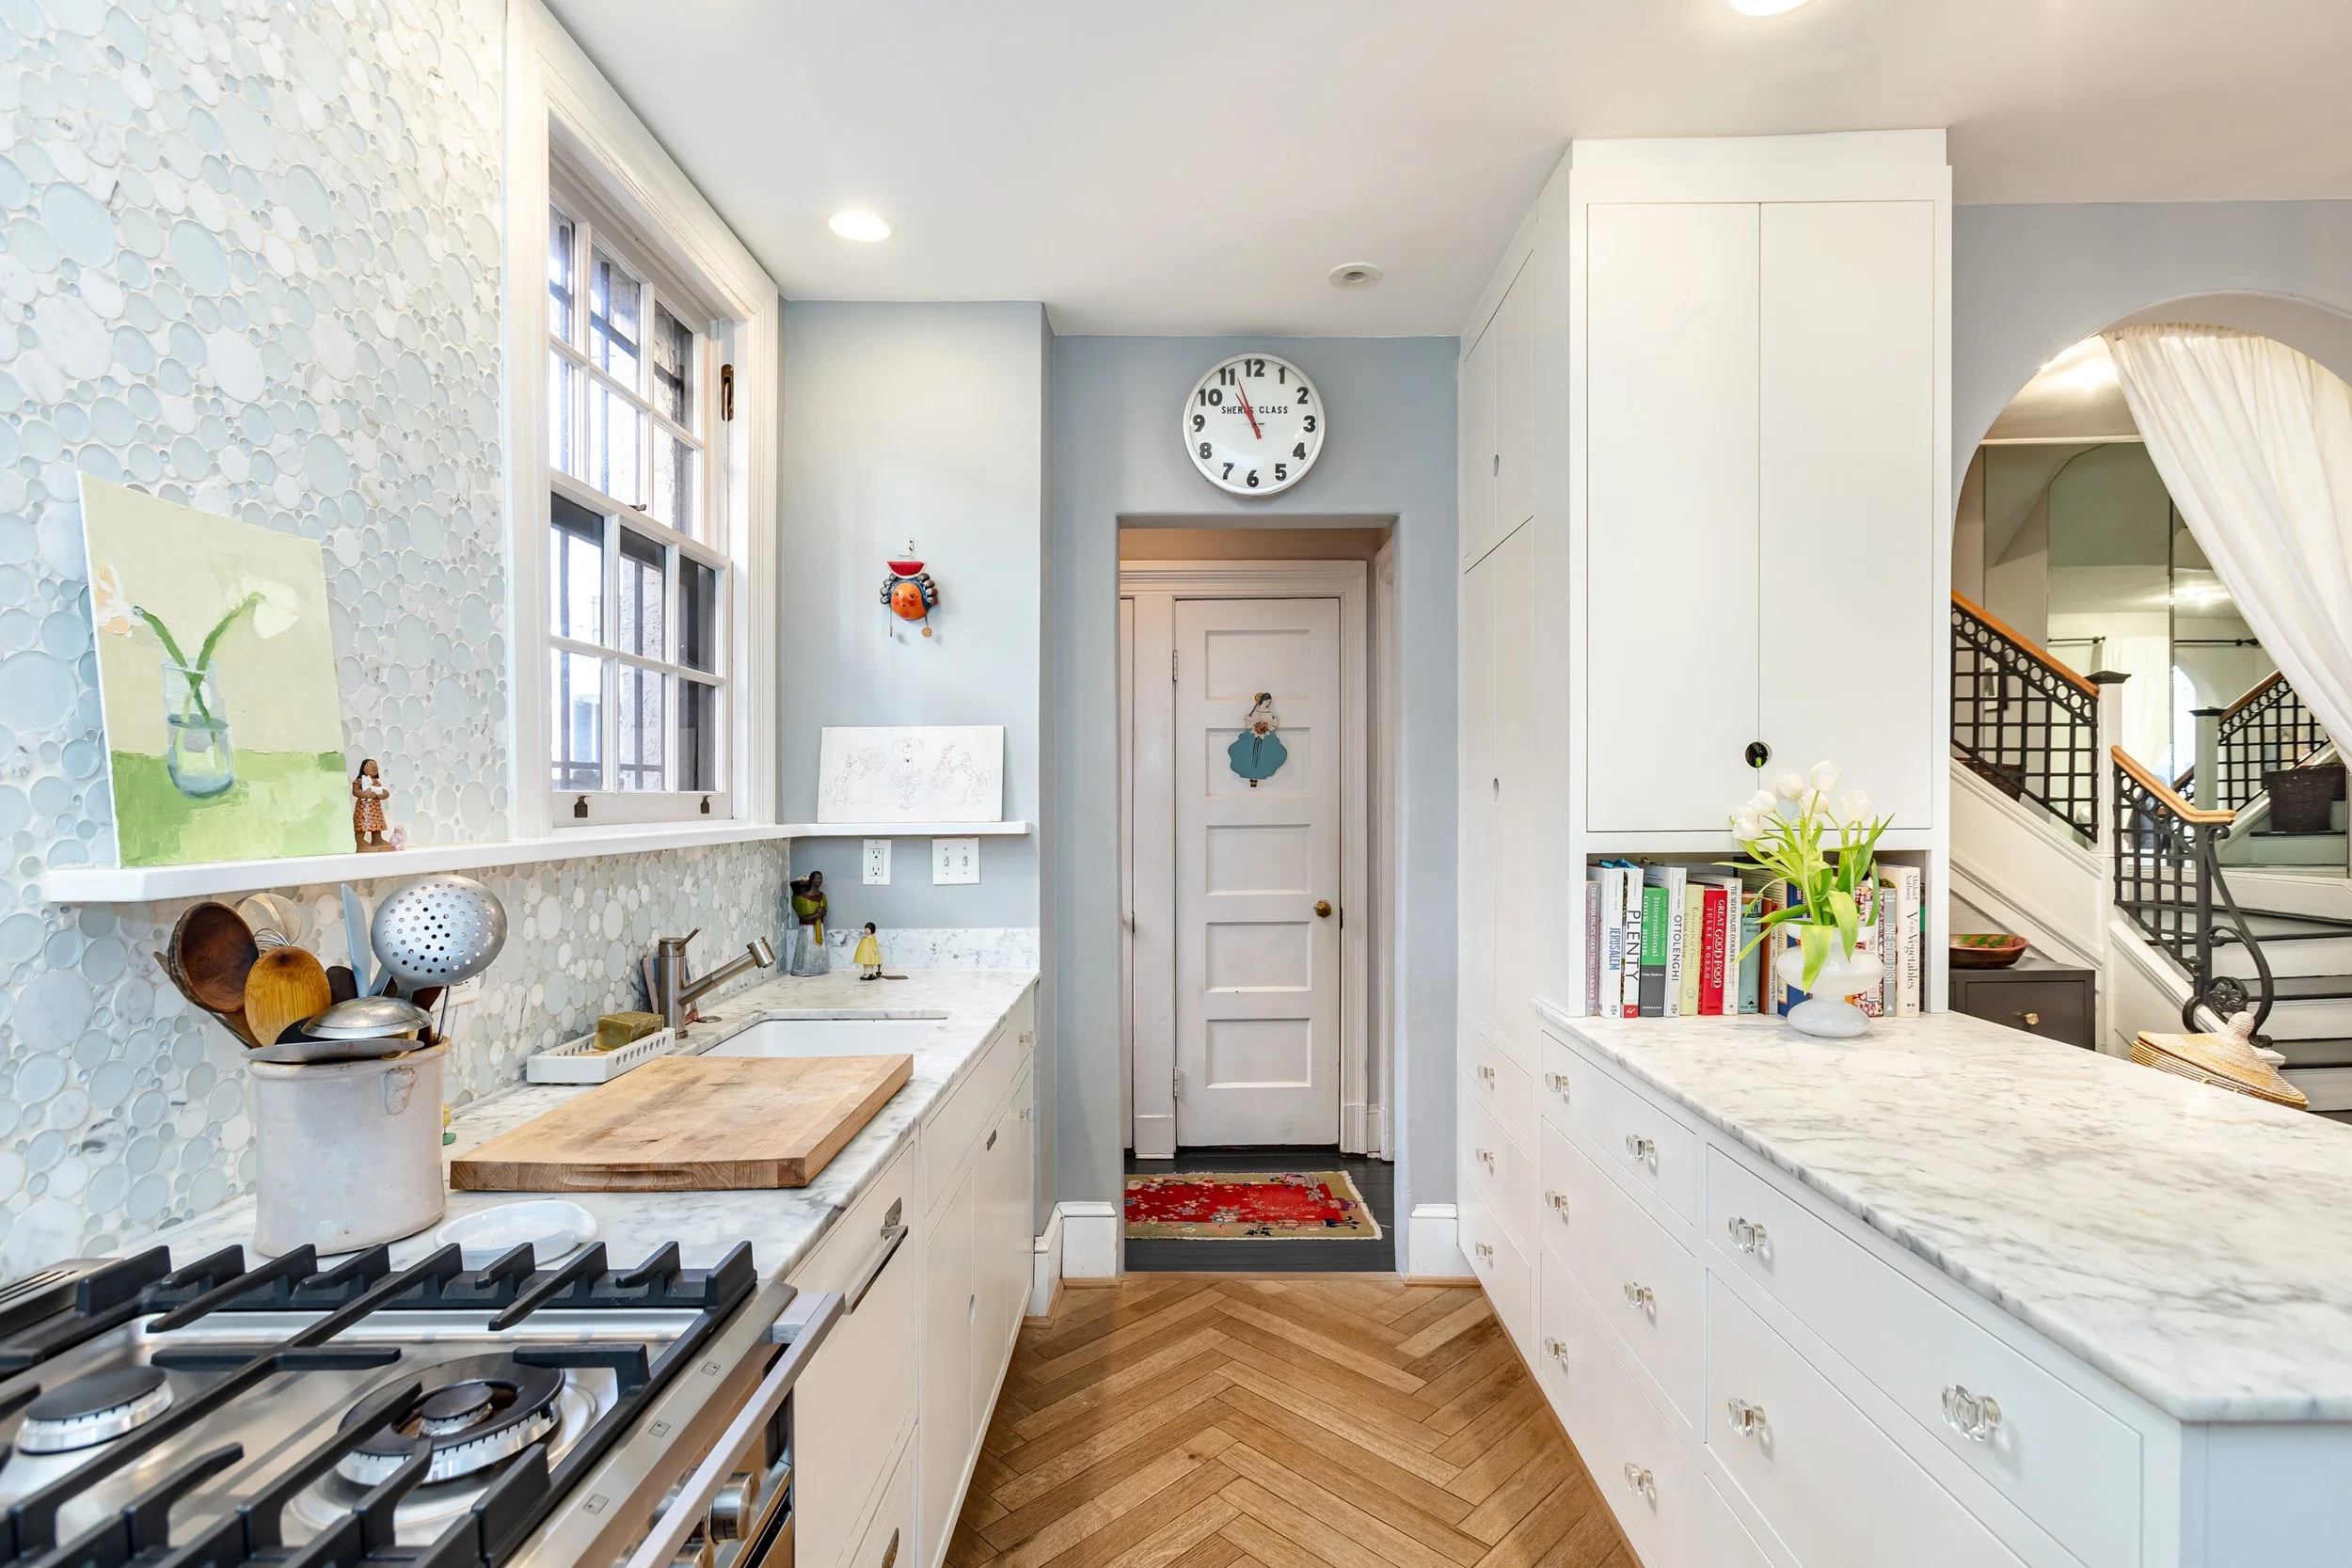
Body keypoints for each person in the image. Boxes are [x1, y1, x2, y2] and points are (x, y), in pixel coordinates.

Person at [352, 758, 393, 851]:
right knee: (362, 823)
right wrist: (365, 794)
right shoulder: (359, 780)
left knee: (376, 823)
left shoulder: (376, 782)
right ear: (362, 768)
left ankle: (377, 840)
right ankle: (360, 842)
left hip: (375, 808)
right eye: (369, 765)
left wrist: (383, 795)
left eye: (375, 765)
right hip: (364, 807)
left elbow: (384, 791)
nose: (374, 767)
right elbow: (355, 792)